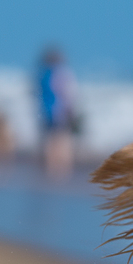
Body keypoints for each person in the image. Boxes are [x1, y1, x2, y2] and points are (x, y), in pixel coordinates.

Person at [35, 46, 79, 180]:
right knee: (62, 142)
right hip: (58, 112)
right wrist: (71, 110)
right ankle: (60, 173)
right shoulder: (61, 74)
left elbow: (37, 94)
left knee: (49, 142)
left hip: (45, 112)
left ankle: (50, 172)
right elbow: (68, 94)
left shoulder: (42, 74)